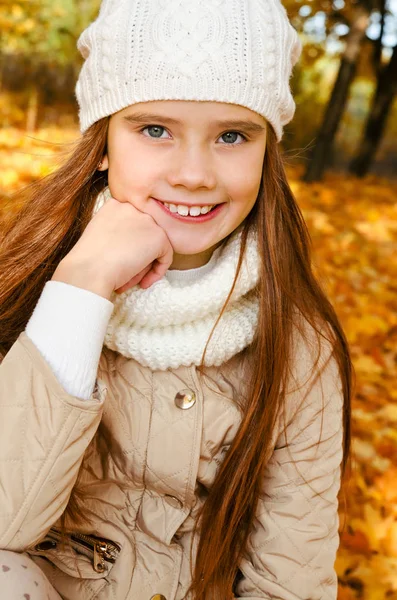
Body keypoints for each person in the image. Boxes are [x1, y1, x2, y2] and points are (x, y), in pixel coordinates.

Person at [0, 0, 353, 598]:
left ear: (267, 152)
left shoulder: (298, 346)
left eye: (233, 135)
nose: (193, 173)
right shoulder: (28, 275)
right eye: (155, 129)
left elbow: (290, 576)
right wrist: (82, 281)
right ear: (104, 141)